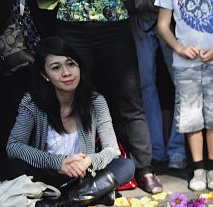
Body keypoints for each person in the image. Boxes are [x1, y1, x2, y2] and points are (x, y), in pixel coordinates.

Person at [5, 37, 135, 207]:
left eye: (70, 64)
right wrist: (59, 163)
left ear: (79, 67)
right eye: (56, 68)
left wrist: (88, 160)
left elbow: (112, 150)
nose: (66, 73)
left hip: (83, 176)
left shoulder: (95, 101)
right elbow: (14, 146)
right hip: (46, 180)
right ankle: (88, 198)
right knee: (14, 167)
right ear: (45, 75)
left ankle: (61, 203)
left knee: (126, 166)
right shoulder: (32, 102)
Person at [55, 0, 163, 194]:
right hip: (71, 20)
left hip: (112, 19)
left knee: (129, 99)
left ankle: (145, 170)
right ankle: (75, 172)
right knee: (73, 98)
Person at [156, 0, 213, 192]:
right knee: (190, 116)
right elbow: (162, 25)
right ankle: (198, 168)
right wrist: (179, 48)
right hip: (185, 64)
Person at [130, 2, 188, 171]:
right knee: (145, 85)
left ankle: (178, 150)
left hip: (174, 17)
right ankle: (155, 150)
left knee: (182, 84)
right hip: (140, 16)